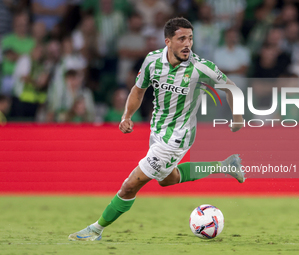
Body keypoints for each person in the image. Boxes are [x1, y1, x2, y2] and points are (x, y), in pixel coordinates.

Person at [68, 17, 245, 241]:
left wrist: (237, 118)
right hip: (157, 131)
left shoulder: (200, 67)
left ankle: (95, 229)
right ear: (168, 41)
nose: (187, 44)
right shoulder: (152, 61)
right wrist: (127, 116)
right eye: (181, 39)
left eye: (190, 38)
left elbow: (232, 88)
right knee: (167, 179)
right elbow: (138, 90)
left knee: (130, 185)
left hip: (178, 136)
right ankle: (225, 165)